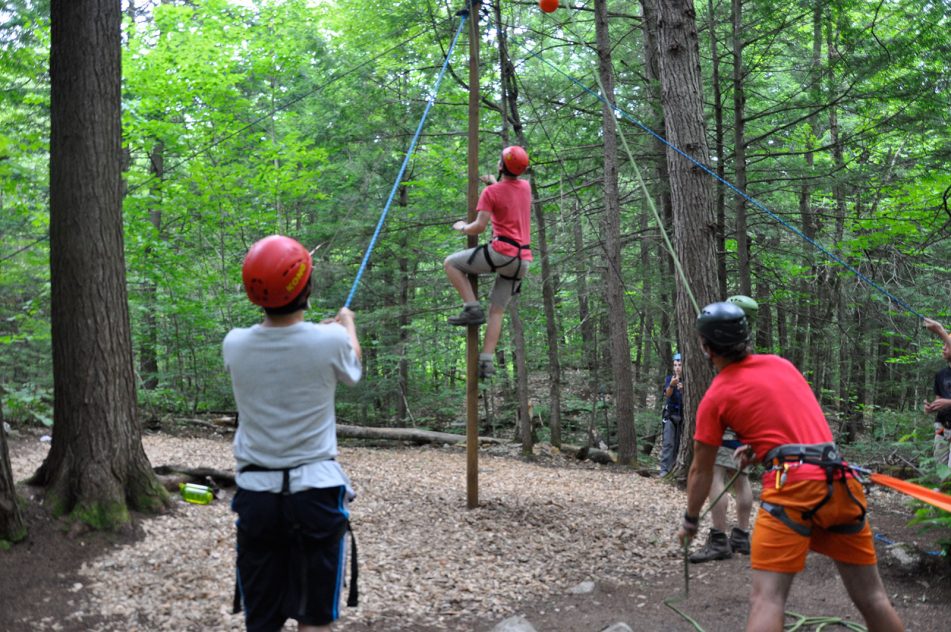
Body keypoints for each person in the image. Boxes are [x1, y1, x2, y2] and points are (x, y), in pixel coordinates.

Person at [678, 302, 904, 632]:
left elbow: (701, 469)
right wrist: (761, 449)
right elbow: (793, 420)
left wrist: (690, 519)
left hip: (793, 488)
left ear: (706, 348)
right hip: (840, 481)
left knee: (768, 600)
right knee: (872, 597)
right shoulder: (782, 366)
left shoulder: (717, 395)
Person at [224, 235, 362, 632]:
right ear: (306, 288)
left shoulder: (234, 344)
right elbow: (351, 365)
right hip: (315, 493)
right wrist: (347, 323)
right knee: (314, 617)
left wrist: (320, 334)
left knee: (262, 620)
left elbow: (281, 348)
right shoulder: (331, 340)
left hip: (258, 496)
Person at [444, 145, 533, 379]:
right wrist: (494, 184)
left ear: (502, 166)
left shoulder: (491, 194)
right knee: (497, 311)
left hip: (502, 252)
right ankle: (486, 361)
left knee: (451, 263)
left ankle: (472, 308)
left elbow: (479, 226)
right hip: (521, 261)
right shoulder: (525, 188)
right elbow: (509, 196)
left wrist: (463, 227)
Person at [689, 295, 757, 563]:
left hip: (728, 419)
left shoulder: (723, 349)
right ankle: (741, 534)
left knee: (716, 474)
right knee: (741, 478)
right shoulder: (746, 345)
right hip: (746, 425)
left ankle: (718, 537)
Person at [922, 318, 951, 470]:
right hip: (942, 428)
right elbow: (939, 400)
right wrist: (931, 407)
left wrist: (940, 330)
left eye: (947, 345)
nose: (943, 348)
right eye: (944, 344)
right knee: (940, 473)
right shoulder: (941, 374)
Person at [658, 352, 684, 477]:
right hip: (670, 415)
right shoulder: (669, 379)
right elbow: (667, 394)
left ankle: (674, 467)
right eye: (675, 365)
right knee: (668, 443)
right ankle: (664, 469)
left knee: (679, 445)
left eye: (679, 364)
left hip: (684, 417)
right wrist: (672, 385)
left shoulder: (689, 381)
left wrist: (684, 389)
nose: (677, 367)